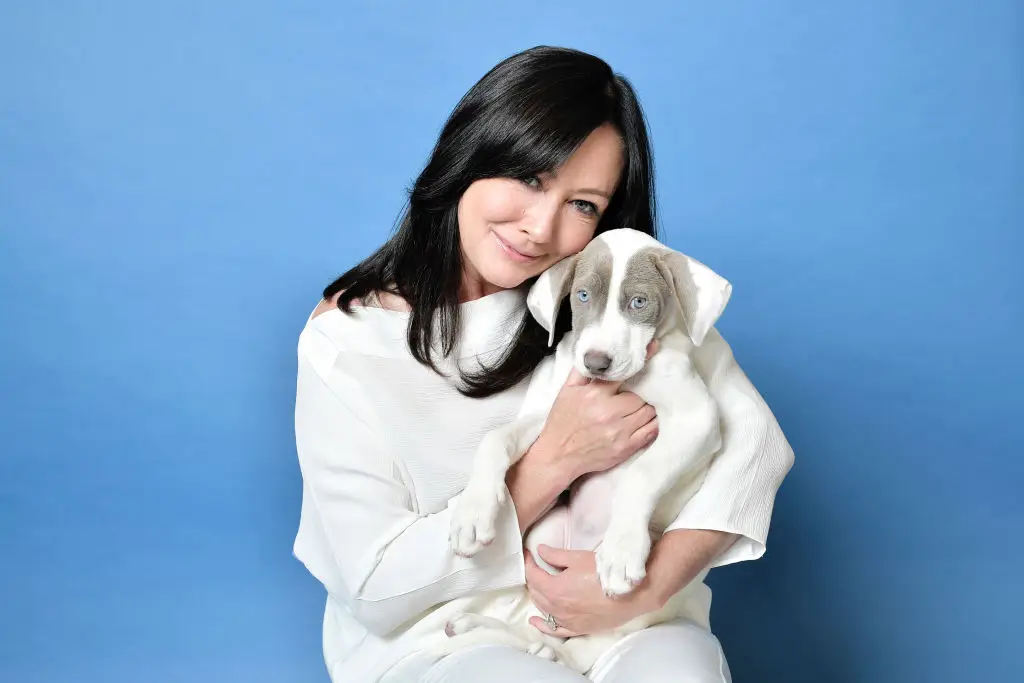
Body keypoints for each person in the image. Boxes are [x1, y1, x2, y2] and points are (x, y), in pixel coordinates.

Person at [292, 45, 794, 683]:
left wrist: (650, 583)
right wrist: (554, 458)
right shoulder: (351, 342)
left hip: (622, 616)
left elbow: (757, 448)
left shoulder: (607, 309)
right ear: (468, 156)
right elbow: (373, 581)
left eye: (582, 204)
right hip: (442, 637)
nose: (539, 226)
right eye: (529, 178)